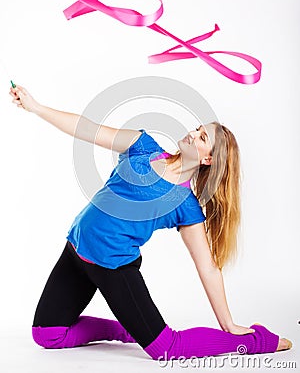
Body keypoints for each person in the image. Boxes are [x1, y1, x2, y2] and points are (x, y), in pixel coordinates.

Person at [9, 83, 292, 361]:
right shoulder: (142, 146)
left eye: (202, 137)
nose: (193, 134)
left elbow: (207, 267)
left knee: (168, 349)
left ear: (208, 159)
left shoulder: (185, 205)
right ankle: (127, 330)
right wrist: (35, 107)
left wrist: (228, 323)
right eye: (197, 128)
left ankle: (258, 342)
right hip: (77, 249)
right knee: (47, 334)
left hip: (114, 266)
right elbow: (86, 128)